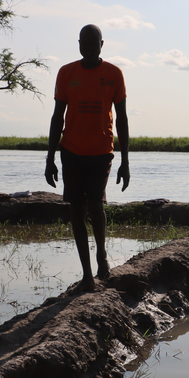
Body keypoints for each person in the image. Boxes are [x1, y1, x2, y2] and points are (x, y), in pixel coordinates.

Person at [45, 24, 129, 290]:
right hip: (71, 151)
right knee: (76, 209)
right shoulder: (66, 73)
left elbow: (123, 119)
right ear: (79, 44)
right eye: (85, 44)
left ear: (101, 45)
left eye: (94, 45)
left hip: (102, 151)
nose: (89, 49)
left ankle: (101, 255)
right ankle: (86, 275)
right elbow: (58, 117)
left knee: (95, 205)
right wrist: (49, 158)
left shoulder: (114, 74)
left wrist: (126, 162)